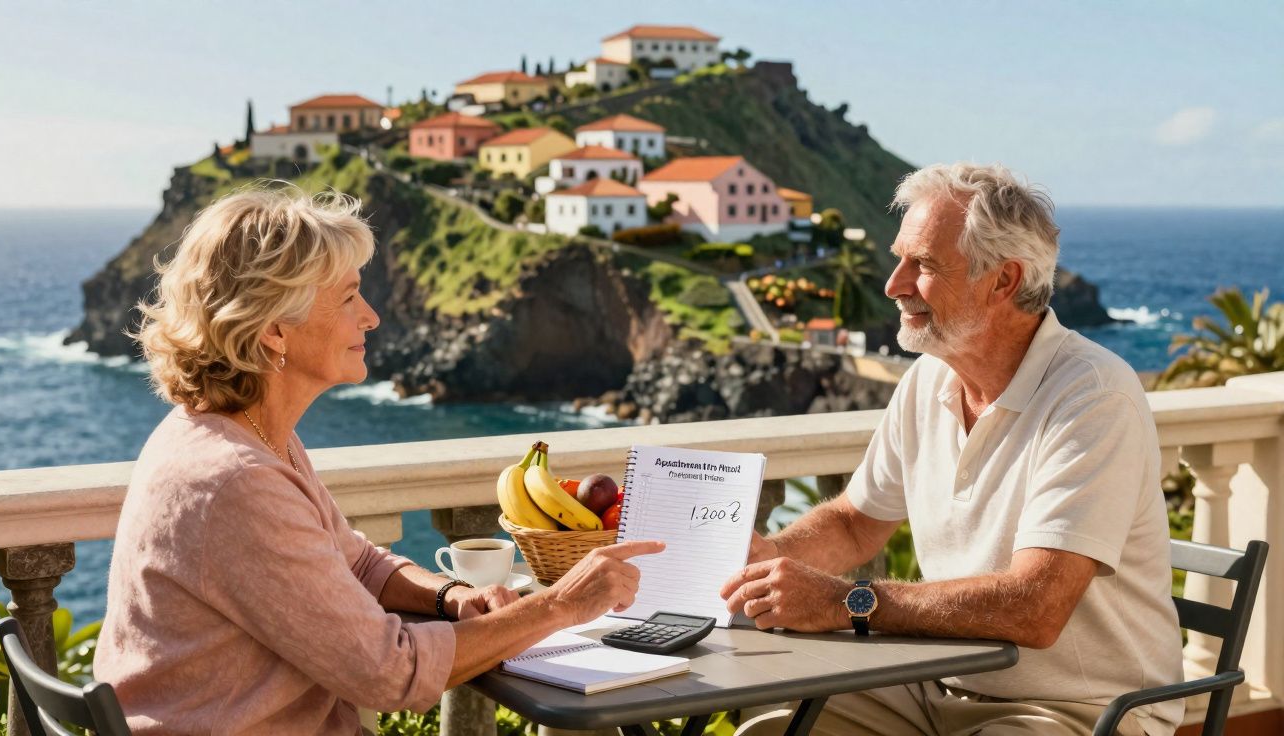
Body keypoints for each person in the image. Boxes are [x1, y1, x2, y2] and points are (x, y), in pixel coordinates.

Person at [94, 189, 663, 735]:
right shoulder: (236, 479)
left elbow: (358, 565)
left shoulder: (246, 436)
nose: (370, 317)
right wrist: (561, 605)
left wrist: (448, 596)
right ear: (273, 330)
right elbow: (390, 673)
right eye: (347, 298)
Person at [722, 164, 1184, 736]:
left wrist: (848, 602)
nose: (893, 284)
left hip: (1077, 710)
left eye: (923, 265)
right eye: (900, 258)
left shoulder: (1093, 396)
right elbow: (852, 525)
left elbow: (1035, 607)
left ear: (1002, 280)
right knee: (772, 727)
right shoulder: (928, 380)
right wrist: (762, 564)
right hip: (935, 684)